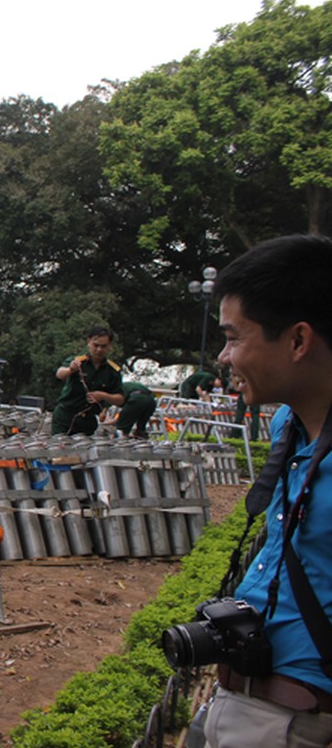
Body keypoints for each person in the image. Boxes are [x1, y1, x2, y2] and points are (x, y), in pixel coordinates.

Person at [199, 234, 332, 748]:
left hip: (299, 721)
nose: (225, 356)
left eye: (234, 337)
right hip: (244, 703)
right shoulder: (286, 426)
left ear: (298, 341)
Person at [50, 328, 125, 435]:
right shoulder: (78, 361)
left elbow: (120, 399)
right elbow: (59, 374)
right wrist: (70, 370)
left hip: (88, 420)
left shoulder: (112, 371)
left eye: (103, 346)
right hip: (65, 416)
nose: (99, 349)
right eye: (96, 345)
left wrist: (103, 395)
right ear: (88, 342)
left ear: (109, 346)